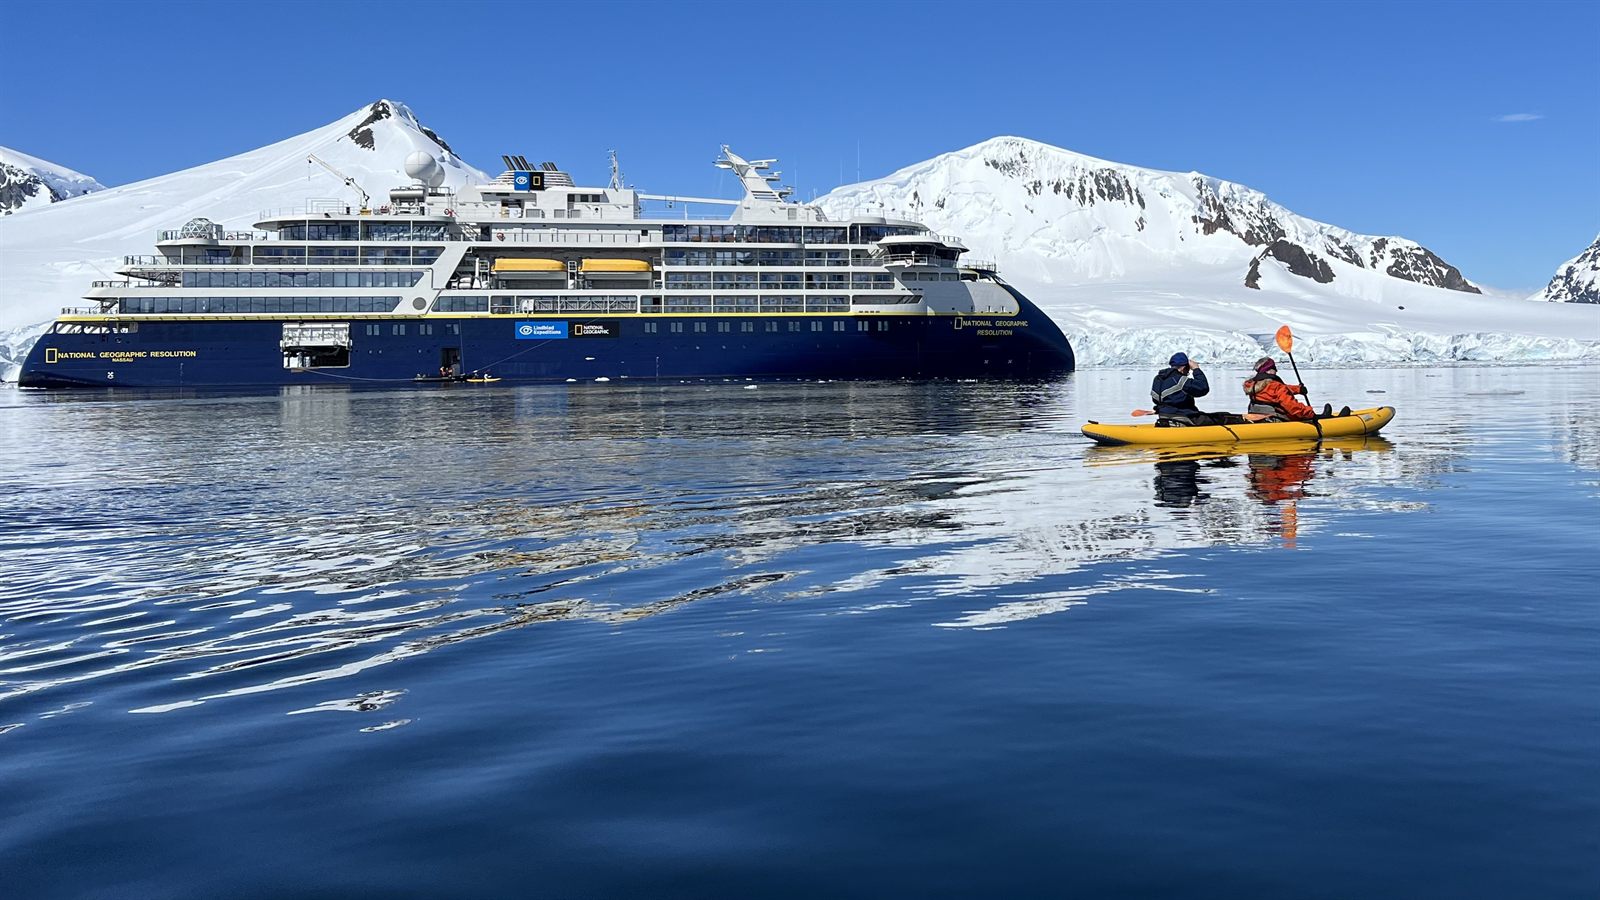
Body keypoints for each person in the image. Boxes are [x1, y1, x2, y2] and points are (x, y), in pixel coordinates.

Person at [1151, 352, 1247, 426]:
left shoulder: (1158, 379)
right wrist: (1196, 369)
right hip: (1184, 417)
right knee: (1223, 416)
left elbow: (1156, 399)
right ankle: (1247, 423)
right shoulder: (1181, 380)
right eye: (1188, 369)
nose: (1188, 372)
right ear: (1184, 368)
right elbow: (1203, 388)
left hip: (1165, 416)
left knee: (1208, 415)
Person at [1242, 357, 1350, 421]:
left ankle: (1327, 417)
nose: (1276, 371)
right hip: (1278, 419)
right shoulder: (1276, 386)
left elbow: (1273, 391)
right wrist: (1310, 412)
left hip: (1260, 417)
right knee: (1307, 415)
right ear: (1268, 370)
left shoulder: (1254, 385)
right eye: (1274, 368)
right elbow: (1292, 408)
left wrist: (1298, 389)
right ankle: (1331, 419)